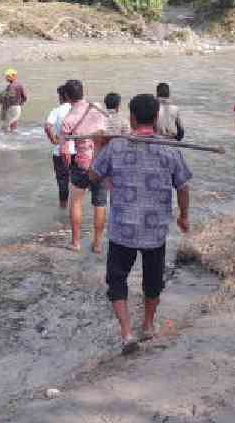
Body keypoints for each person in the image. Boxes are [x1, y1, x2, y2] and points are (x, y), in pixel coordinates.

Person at [90, 93, 192, 354]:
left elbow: (93, 175)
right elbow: (183, 186)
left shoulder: (115, 147)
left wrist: (99, 145)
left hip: (123, 227)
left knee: (117, 279)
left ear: (132, 118)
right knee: (153, 280)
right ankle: (147, 326)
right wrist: (183, 215)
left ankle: (126, 333)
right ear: (157, 117)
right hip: (154, 229)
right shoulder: (169, 148)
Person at [60, 79, 108, 253]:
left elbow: (65, 152)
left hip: (82, 164)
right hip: (101, 163)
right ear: (83, 92)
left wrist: (68, 166)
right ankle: (97, 244)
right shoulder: (97, 107)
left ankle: (75, 242)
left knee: (75, 202)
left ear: (66, 96)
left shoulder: (68, 119)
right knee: (100, 204)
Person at [45, 85, 75, 209]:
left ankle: (63, 207)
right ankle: (75, 206)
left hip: (60, 151)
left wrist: (53, 139)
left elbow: (47, 126)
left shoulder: (56, 111)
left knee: (62, 182)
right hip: (77, 150)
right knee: (76, 182)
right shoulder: (76, 109)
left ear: (63, 96)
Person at [0, 68, 27, 132]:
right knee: (13, 125)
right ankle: (13, 139)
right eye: (6, 76)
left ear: (13, 76)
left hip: (11, 108)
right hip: (18, 108)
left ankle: (5, 140)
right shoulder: (19, 85)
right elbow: (24, 97)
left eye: (8, 76)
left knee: (5, 127)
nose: (6, 78)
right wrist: (21, 103)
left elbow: (9, 98)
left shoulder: (11, 87)